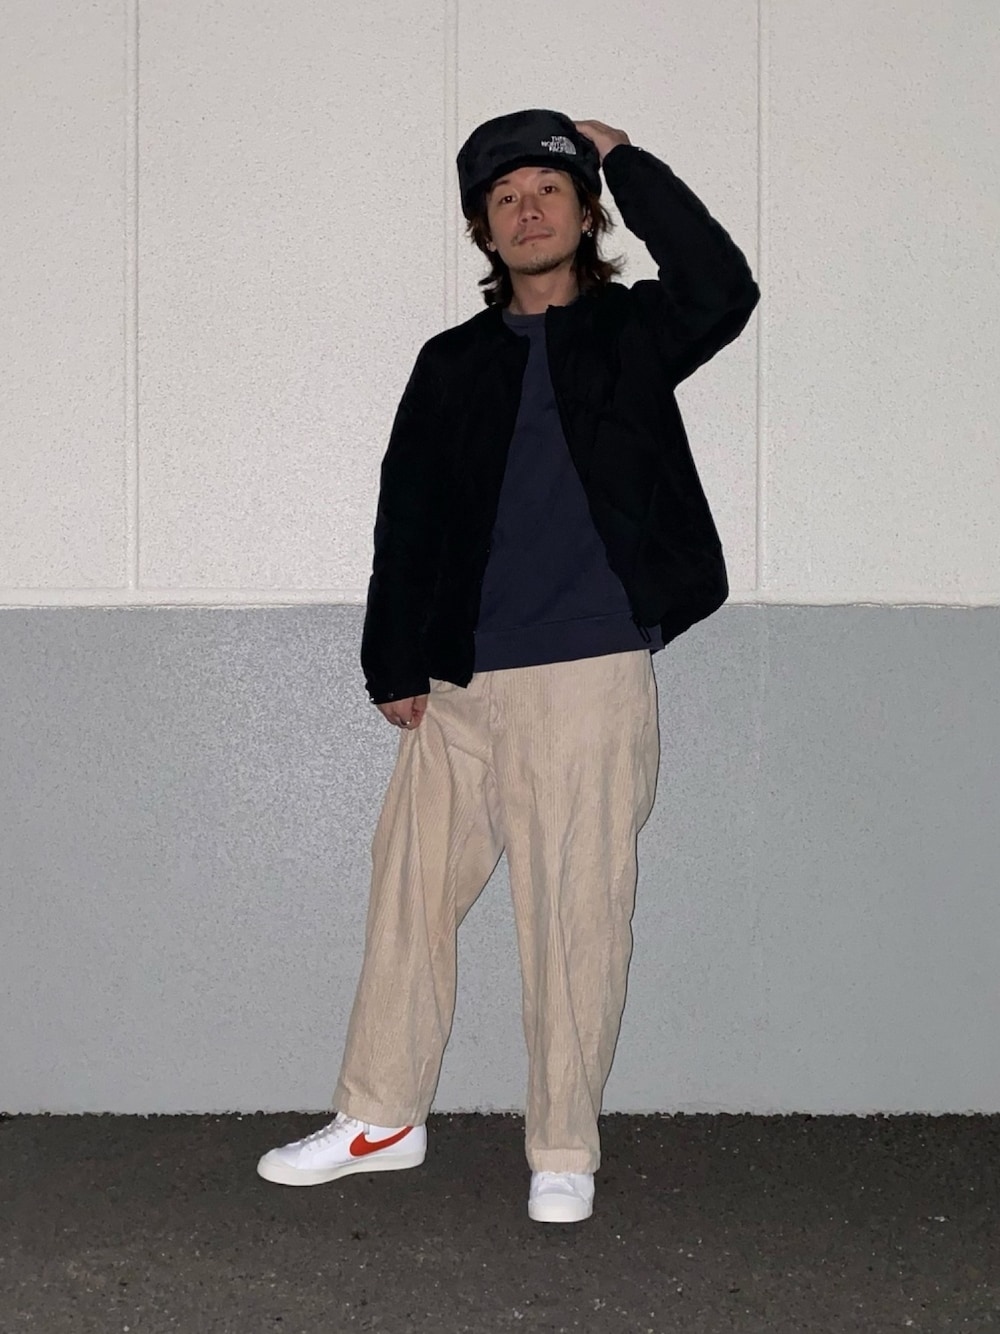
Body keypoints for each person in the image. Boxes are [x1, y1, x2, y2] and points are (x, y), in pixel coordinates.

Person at [257, 109, 760, 1223]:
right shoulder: (453, 363)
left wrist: (623, 158)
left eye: (548, 190)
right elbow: (408, 516)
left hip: (586, 674)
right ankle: (380, 1115)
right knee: (407, 891)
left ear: (585, 215)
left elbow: (724, 286)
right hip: (458, 683)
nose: (527, 211)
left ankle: (563, 1146)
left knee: (575, 910)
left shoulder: (634, 333)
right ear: (484, 230)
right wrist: (395, 659)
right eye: (504, 198)